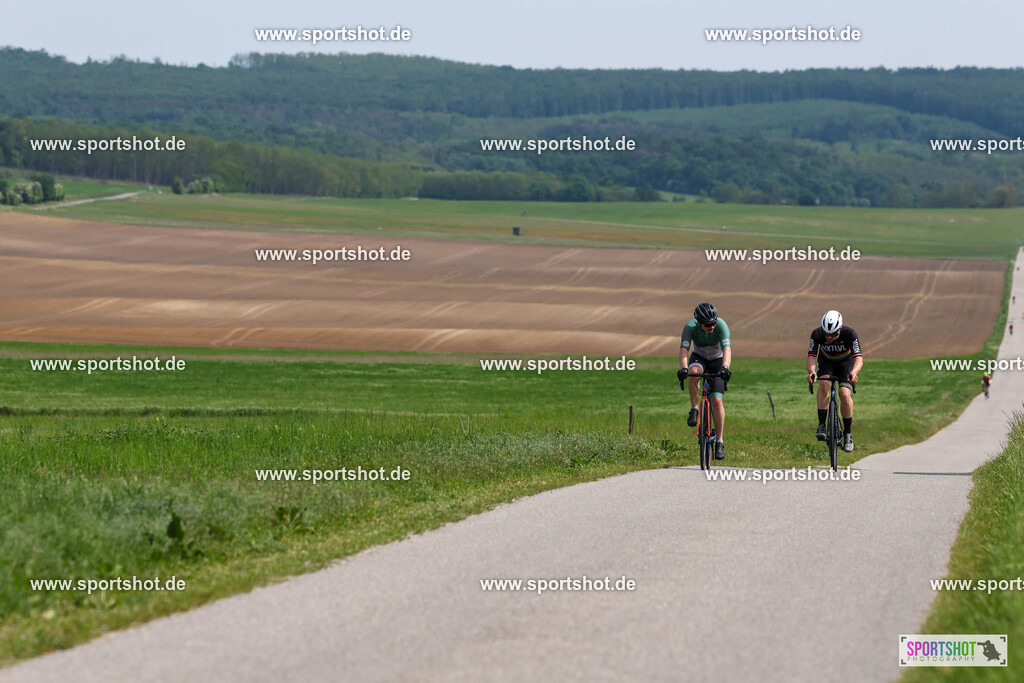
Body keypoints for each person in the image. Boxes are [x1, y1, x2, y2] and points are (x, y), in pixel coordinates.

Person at [678, 303, 732, 460]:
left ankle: (720, 442)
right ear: (699, 323)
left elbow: (727, 349)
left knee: (716, 401)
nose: (712, 326)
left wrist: (725, 367)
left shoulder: (721, 325)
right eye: (708, 325)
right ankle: (694, 408)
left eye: (714, 322)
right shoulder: (690, 327)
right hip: (699, 357)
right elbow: (683, 350)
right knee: (693, 373)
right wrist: (683, 368)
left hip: (717, 360)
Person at [807, 310, 863, 453]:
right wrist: (812, 372)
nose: (829, 337)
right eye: (827, 334)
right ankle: (821, 425)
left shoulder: (850, 334)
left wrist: (854, 373)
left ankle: (848, 434)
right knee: (824, 383)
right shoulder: (817, 334)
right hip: (827, 363)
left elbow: (858, 358)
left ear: (840, 329)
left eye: (833, 334)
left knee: (844, 393)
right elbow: (812, 357)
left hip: (846, 364)